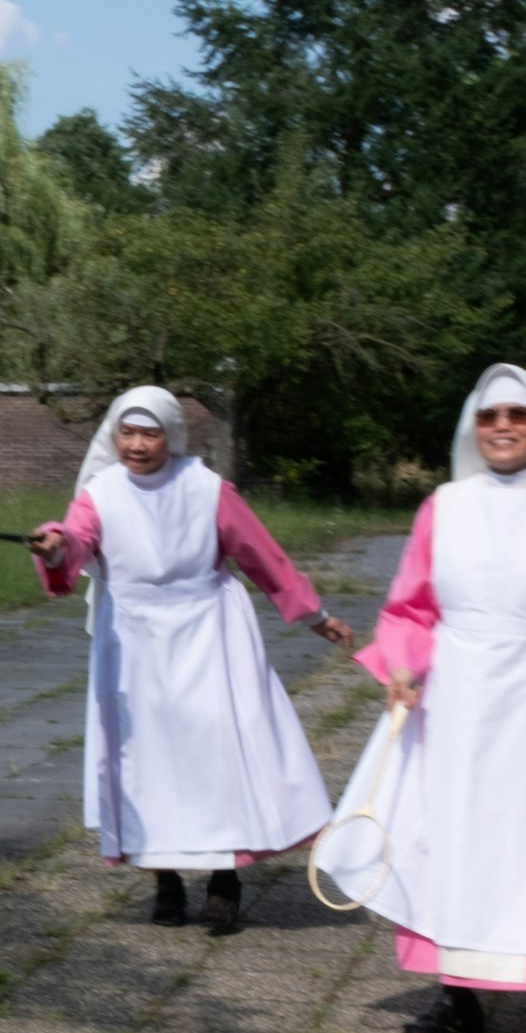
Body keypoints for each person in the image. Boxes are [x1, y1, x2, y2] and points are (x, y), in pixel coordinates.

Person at [321, 363, 526, 1033]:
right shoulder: (444, 506)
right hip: (459, 700)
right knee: (455, 839)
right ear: (474, 425)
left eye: (516, 416)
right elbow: (411, 604)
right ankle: (457, 992)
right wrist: (403, 662)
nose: (502, 427)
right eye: (490, 416)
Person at [31, 387, 354, 933]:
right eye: (128, 433)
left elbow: (260, 554)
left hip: (209, 632)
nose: (137, 445)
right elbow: (78, 541)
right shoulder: (100, 493)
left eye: (149, 433)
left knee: (217, 753)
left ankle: (225, 876)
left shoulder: (206, 489)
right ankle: (166, 879)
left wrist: (312, 613)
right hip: (134, 641)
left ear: (170, 435)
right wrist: (56, 544)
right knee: (150, 761)